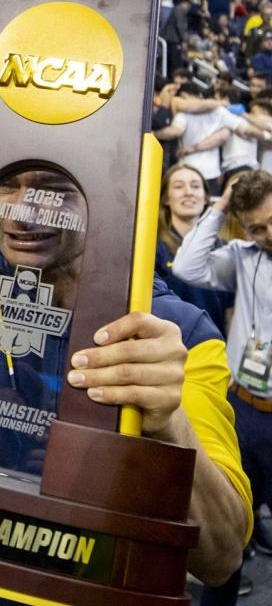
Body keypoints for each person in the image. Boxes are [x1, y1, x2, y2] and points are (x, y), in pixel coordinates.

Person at [0, 167, 252, 603]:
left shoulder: (175, 333)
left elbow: (222, 556)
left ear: (111, 196)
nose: (23, 212)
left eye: (54, 189)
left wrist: (166, 424)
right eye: (8, 184)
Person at [173, 169, 272, 578]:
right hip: (242, 408)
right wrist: (220, 206)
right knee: (232, 523)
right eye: (258, 228)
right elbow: (187, 267)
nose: (269, 234)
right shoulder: (243, 257)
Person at [156, 163, 233, 333]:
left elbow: (231, 313)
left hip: (215, 344)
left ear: (206, 198)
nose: (188, 192)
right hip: (172, 344)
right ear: (166, 198)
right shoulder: (155, 250)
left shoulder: (226, 249)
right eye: (178, 186)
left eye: (195, 186)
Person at [159, 82, 242, 195]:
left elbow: (175, 131)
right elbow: (225, 135)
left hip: (188, 168)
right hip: (211, 171)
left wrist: (153, 133)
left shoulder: (183, 113)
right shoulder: (219, 111)